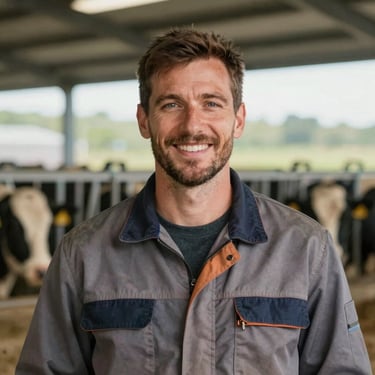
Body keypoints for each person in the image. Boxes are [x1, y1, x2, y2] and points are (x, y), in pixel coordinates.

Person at [16, 28, 371, 374]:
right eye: (171, 104)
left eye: (211, 103)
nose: (192, 125)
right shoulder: (83, 254)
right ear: (144, 121)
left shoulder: (307, 248)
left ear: (238, 120)